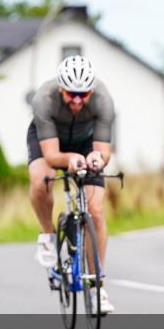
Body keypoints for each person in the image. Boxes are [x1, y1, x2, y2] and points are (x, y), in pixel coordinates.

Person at [27, 55, 117, 313]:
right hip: (50, 142)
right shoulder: (44, 99)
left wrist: (96, 158)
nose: (77, 100)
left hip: (86, 141)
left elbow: (104, 151)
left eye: (83, 94)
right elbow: (52, 156)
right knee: (40, 181)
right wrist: (70, 159)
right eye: (71, 94)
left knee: (96, 212)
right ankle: (47, 234)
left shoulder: (103, 99)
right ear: (60, 89)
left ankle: (97, 287)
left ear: (91, 91)